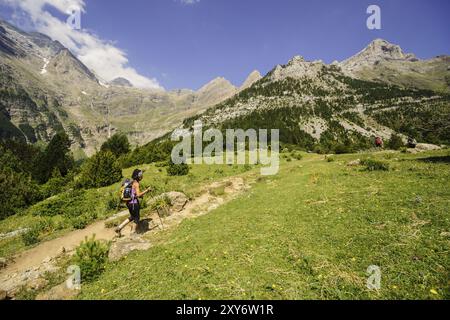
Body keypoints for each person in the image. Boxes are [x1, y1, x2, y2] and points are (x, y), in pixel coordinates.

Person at [115, 169, 151, 235]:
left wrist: (139, 195)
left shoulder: (131, 182)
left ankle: (119, 228)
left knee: (132, 216)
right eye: (140, 175)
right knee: (137, 218)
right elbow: (138, 195)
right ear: (137, 176)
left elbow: (133, 193)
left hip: (128, 203)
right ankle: (133, 233)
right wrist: (147, 190)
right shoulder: (136, 183)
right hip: (134, 203)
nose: (141, 176)